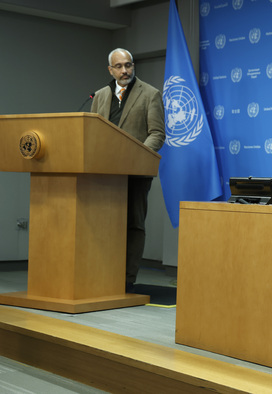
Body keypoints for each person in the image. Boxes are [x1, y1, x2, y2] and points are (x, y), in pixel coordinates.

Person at [90, 48, 165, 291]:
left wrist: (136, 157)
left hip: (135, 172)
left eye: (128, 65)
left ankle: (126, 279)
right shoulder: (100, 96)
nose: (125, 71)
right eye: (119, 67)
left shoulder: (150, 94)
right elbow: (92, 133)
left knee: (133, 224)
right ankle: (102, 272)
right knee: (104, 222)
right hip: (105, 173)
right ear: (110, 70)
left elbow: (157, 133)